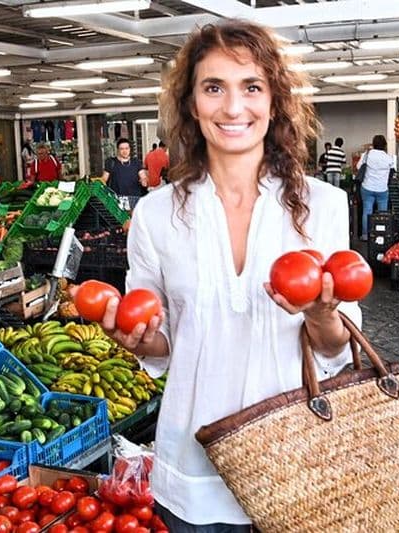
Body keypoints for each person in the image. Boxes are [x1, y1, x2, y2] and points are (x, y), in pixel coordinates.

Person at [94, 20, 360, 531]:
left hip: (295, 459)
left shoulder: (325, 206)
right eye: (213, 87)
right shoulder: (155, 214)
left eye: (251, 87)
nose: (233, 108)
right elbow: (163, 341)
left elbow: (334, 350)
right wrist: (137, 339)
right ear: (192, 104)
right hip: (193, 463)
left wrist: (322, 313)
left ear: (274, 100)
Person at [357, 135, 393, 240]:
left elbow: (358, 167)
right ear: (385, 145)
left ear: (374, 144)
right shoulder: (388, 157)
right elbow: (392, 169)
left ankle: (365, 235)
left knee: (367, 211)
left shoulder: (367, 155)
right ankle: (380, 234)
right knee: (382, 213)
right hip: (382, 189)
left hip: (367, 187)